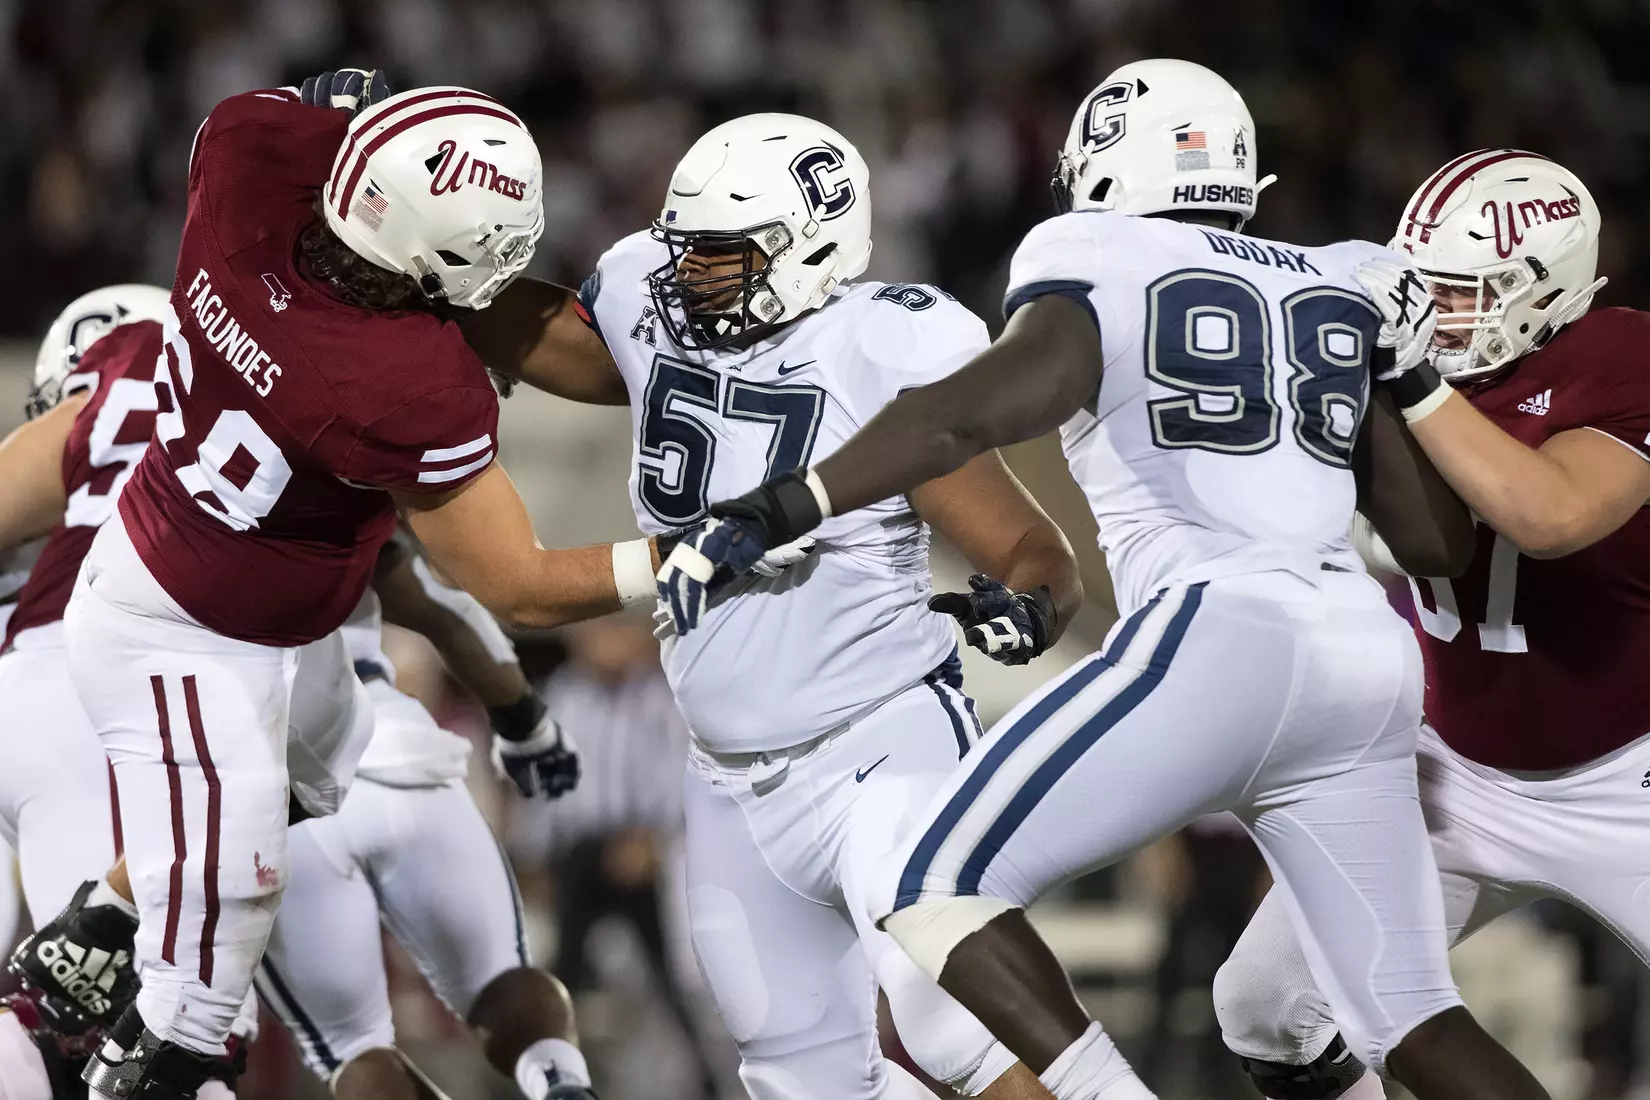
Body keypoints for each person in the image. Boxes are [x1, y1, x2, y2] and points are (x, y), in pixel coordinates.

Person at [654, 59, 1555, 1100]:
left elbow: (965, 414)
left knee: (929, 881)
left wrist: (791, 500)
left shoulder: (1094, 249)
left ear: (1105, 164)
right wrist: (1402, 368)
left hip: (1221, 634)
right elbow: (1438, 542)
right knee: (1411, 1016)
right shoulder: (1335, 277)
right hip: (1362, 651)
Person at [51, 69, 667, 1099]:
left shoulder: (246, 155)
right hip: (190, 640)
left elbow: (293, 118)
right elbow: (508, 584)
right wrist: (676, 558)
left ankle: (108, 910)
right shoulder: (401, 385)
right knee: (203, 984)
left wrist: (333, 110)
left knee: (300, 790)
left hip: (241, 614)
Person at [460, 113, 1081, 1099]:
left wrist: (1034, 603)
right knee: (797, 1072)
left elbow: (1030, 545)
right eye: (684, 247)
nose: (684, 274)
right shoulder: (647, 298)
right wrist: (421, 263)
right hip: (728, 776)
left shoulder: (884, 345)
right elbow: (554, 344)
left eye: (719, 252)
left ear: (813, 249)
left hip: (882, 737)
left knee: (958, 1025)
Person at [1212, 150, 1650, 1099]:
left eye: (1465, 293)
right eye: (1426, 290)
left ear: (1544, 289)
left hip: (1627, 775)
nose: (1436, 315)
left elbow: (1551, 515)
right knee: (1267, 1007)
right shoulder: (1393, 370)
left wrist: (1412, 381)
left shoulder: (1617, 354)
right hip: (1450, 773)